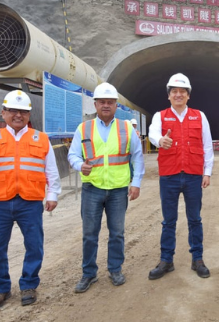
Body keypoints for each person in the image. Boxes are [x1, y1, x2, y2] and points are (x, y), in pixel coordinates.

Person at [0, 90, 61, 310]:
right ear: (3, 113)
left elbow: (51, 170)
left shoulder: (41, 139)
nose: (18, 115)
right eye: (13, 111)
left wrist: (52, 194)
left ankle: (29, 284)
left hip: (29, 202)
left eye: (23, 112)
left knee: (34, 245)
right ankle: (0, 288)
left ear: (29, 114)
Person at [67, 82, 144, 293]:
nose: (106, 105)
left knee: (117, 233)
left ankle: (115, 269)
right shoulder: (84, 128)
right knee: (89, 234)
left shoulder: (127, 127)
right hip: (92, 188)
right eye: (102, 102)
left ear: (116, 105)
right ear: (95, 104)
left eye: (110, 102)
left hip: (119, 190)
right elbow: (73, 154)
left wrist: (136, 183)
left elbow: (137, 156)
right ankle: (89, 273)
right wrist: (78, 165)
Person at [147, 73, 214, 279]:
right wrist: (160, 141)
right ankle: (166, 260)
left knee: (195, 219)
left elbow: (207, 145)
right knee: (169, 220)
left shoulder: (199, 116)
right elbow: (152, 133)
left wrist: (207, 172)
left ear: (188, 95)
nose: (178, 95)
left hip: (193, 175)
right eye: (174, 91)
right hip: (170, 175)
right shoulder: (160, 116)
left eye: (182, 92)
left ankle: (198, 259)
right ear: (169, 95)